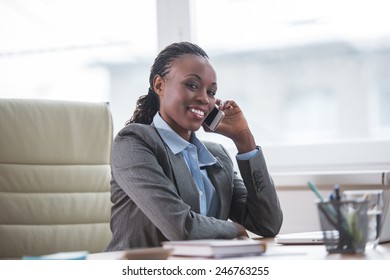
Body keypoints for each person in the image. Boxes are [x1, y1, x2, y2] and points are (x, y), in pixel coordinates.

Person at [105, 42, 283, 250]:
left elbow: (267, 223)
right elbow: (180, 228)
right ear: (160, 85)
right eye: (192, 85)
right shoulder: (133, 143)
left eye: (211, 92)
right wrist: (235, 230)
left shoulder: (216, 156)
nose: (203, 99)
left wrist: (244, 141)